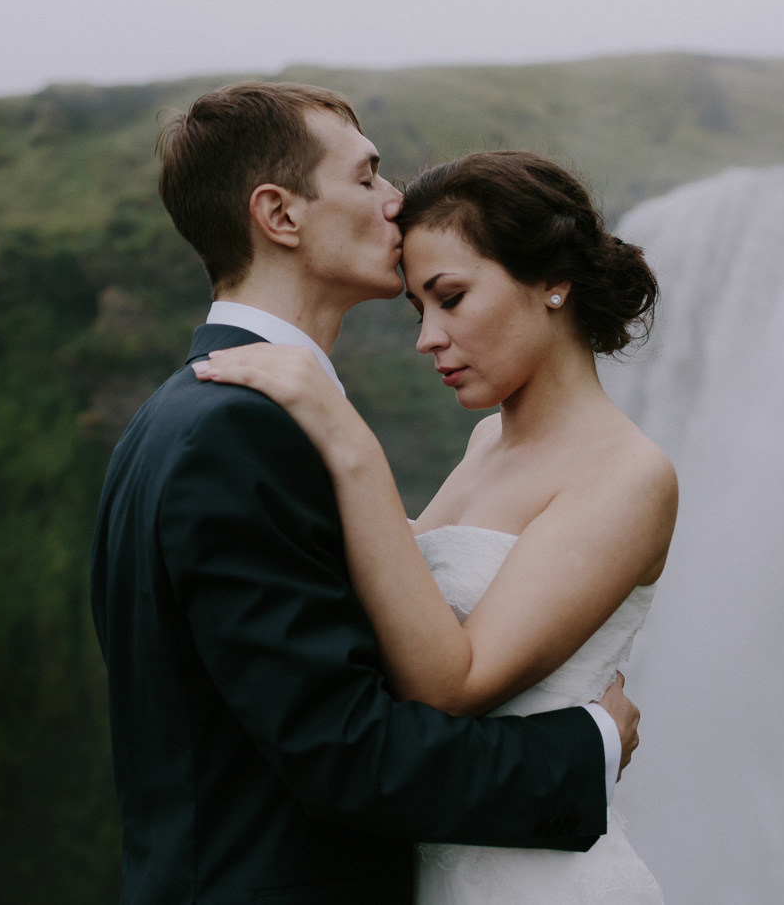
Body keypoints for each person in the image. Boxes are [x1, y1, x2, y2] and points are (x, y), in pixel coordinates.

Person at [89, 83, 641, 905]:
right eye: (368, 177)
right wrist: (589, 742)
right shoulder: (241, 433)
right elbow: (345, 752)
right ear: (280, 215)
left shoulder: (172, 419)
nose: (396, 204)